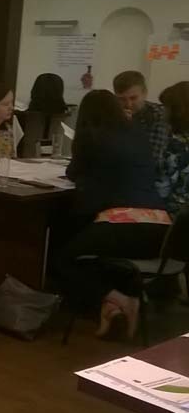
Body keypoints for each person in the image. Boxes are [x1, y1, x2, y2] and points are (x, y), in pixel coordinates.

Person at [55, 90, 170, 338]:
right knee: (96, 252)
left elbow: (74, 172)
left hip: (124, 225)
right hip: (161, 229)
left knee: (63, 258)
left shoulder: (91, 136)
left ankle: (120, 299)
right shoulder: (137, 133)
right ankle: (110, 306)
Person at [114, 70, 170, 168]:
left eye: (133, 98)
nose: (128, 104)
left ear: (145, 93)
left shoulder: (159, 115)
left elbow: (153, 159)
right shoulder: (111, 114)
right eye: (122, 99)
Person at [158, 81, 189, 217]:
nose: (162, 112)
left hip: (177, 214)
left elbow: (163, 187)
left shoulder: (176, 145)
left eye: (165, 107)